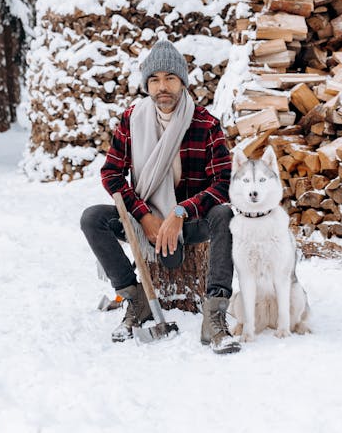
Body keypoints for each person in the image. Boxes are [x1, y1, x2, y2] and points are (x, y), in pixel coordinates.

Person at [80, 39, 241, 354]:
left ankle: (215, 315)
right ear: (146, 85)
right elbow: (111, 173)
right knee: (93, 218)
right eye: (154, 79)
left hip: (191, 221)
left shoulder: (205, 123)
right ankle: (135, 299)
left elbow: (223, 182)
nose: (162, 86)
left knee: (224, 215)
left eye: (170, 78)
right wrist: (144, 215)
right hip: (146, 220)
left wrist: (180, 212)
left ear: (182, 81)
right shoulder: (132, 119)